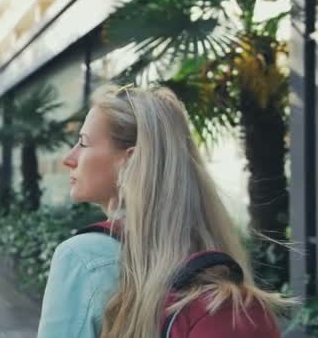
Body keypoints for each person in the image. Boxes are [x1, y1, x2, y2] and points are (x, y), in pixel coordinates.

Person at [36, 84, 293, 338]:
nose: (69, 158)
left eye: (83, 142)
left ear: (130, 161)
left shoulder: (83, 258)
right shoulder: (211, 256)